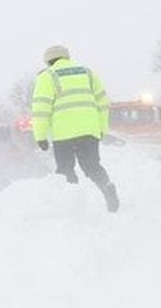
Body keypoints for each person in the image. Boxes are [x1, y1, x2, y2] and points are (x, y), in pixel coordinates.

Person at [30, 44, 120, 213]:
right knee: (92, 166)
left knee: (65, 169)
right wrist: (102, 128)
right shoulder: (87, 73)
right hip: (89, 131)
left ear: (49, 61)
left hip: (63, 134)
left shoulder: (47, 76)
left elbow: (41, 109)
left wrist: (40, 136)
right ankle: (107, 187)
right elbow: (102, 103)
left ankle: (73, 206)